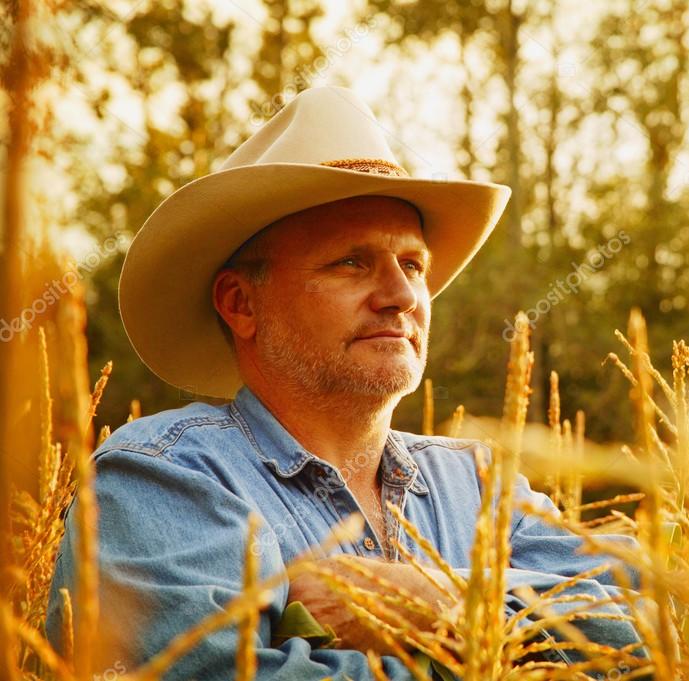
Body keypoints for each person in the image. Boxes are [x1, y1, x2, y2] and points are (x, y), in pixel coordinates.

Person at [46, 87, 646, 679]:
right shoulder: (161, 476)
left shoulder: (479, 484)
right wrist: (509, 641)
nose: (403, 296)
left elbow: (650, 633)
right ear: (239, 303)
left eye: (412, 265)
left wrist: (424, 599)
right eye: (352, 262)